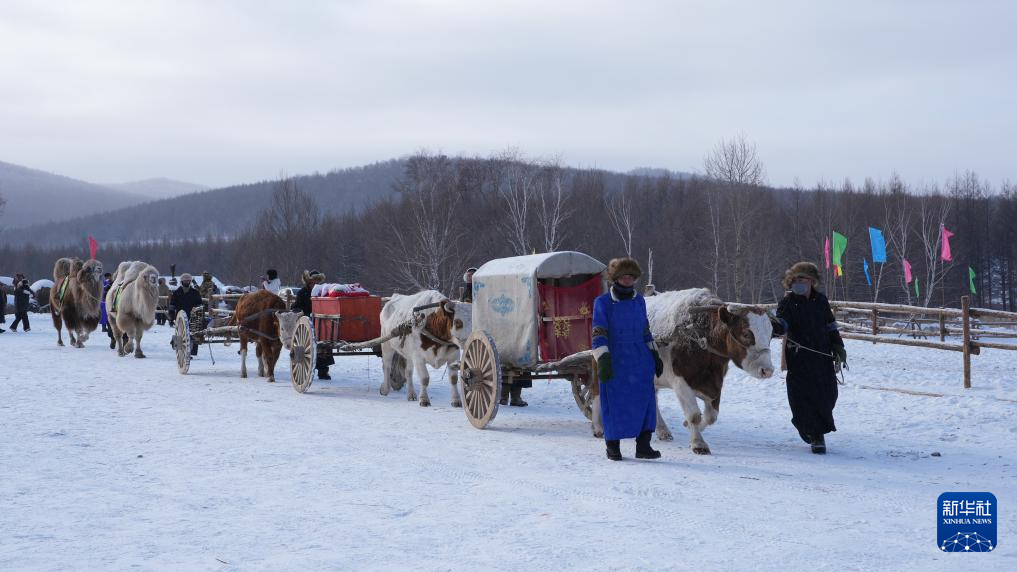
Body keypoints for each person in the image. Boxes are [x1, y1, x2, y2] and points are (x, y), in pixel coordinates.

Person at [592, 257, 664, 461]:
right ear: (615, 278)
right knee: (614, 402)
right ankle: (613, 447)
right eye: (624, 276)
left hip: (640, 361)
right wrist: (603, 358)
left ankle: (643, 446)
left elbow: (645, 331)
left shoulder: (639, 301)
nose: (628, 280)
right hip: (615, 359)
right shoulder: (603, 303)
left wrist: (654, 354)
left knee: (646, 401)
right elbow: (598, 332)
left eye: (631, 276)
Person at [771, 262, 846, 454]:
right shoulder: (787, 303)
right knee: (802, 399)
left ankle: (816, 429)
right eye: (796, 280)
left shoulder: (821, 301)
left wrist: (838, 346)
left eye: (803, 280)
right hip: (799, 359)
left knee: (827, 396)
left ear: (812, 282)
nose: (799, 283)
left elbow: (830, 325)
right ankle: (815, 435)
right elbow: (783, 322)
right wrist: (777, 326)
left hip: (822, 358)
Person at [293, 270, 335, 380]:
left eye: (317, 282)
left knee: (324, 347)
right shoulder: (302, 293)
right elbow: (295, 307)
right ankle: (301, 369)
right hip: (307, 323)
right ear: (308, 282)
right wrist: (300, 312)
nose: (315, 284)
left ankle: (323, 371)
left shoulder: (324, 293)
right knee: (302, 345)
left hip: (321, 323)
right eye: (313, 282)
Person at [169, 273, 203, 356]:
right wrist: (171, 318)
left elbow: (200, 304)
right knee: (180, 334)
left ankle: (192, 352)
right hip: (179, 317)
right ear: (181, 282)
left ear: (190, 281)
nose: (187, 282)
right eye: (185, 280)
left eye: (188, 280)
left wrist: (199, 313)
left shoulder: (195, 292)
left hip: (193, 317)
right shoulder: (176, 293)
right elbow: (172, 306)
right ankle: (180, 352)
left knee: (194, 334)